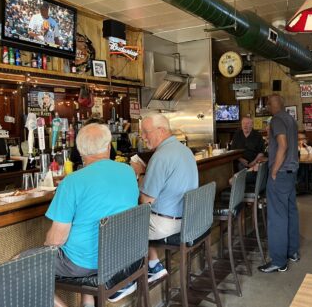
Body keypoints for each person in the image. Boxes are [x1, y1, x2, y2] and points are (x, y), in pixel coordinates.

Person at [21, 123, 140, 307]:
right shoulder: (128, 172)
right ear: (109, 146)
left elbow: (56, 240)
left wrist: (46, 251)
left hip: (82, 263)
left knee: (19, 265)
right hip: (121, 255)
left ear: (80, 150)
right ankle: (87, 302)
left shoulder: (72, 182)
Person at [130, 114, 198, 283]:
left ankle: (123, 282)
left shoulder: (160, 157)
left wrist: (138, 175)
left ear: (161, 130)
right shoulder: (185, 150)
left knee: (122, 227)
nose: (143, 137)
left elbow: (146, 201)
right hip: (189, 220)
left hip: (167, 225)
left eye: (146, 132)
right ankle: (154, 265)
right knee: (139, 222)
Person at [258, 94, 300, 273]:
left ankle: (278, 261)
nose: (266, 107)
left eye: (267, 104)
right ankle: (292, 252)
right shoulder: (290, 119)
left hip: (281, 174)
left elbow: (282, 145)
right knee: (291, 213)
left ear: (270, 104)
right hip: (291, 173)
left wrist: (273, 170)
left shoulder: (276, 120)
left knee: (277, 218)